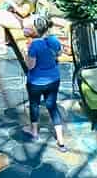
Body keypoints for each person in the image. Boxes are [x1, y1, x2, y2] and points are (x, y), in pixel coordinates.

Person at [21, 13, 68, 149]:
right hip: (54, 79)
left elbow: (31, 66)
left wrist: (26, 54)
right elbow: (59, 54)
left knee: (34, 105)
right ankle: (60, 139)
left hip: (36, 82)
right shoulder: (54, 40)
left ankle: (34, 132)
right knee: (52, 106)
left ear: (36, 30)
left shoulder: (34, 46)